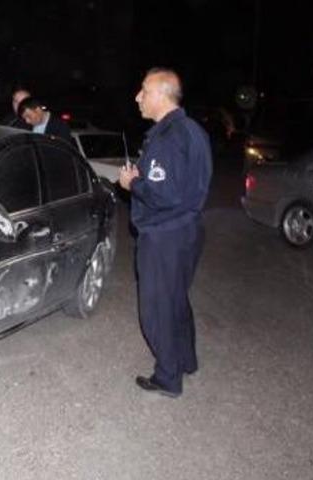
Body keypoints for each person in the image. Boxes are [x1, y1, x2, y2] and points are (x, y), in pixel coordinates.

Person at [118, 67, 212, 398]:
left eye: (143, 90)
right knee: (176, 300)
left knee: (157, 308)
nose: (138, 97)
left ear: (161, 94)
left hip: (164, 235)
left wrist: (133, 183)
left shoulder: (168, 137)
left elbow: (165, 194)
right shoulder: (193, 131)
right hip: (188, 231)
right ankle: (185, 360)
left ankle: (168, 376)